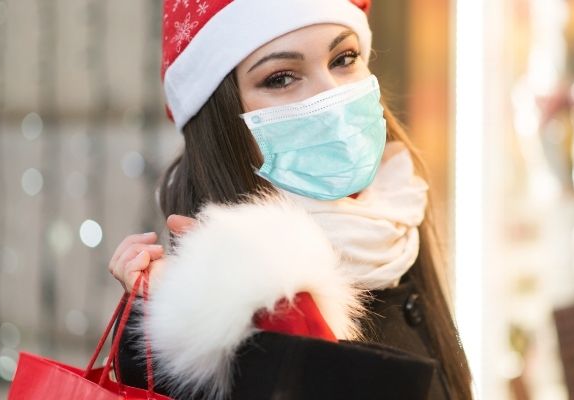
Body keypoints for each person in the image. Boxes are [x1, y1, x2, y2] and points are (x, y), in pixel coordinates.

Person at [107, 0, 472, 399]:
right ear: (222, 119)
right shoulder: (195, 327)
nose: (331, 98)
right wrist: (275, 316)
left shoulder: (395, 215)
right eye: (281, 78)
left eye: (344, 58)